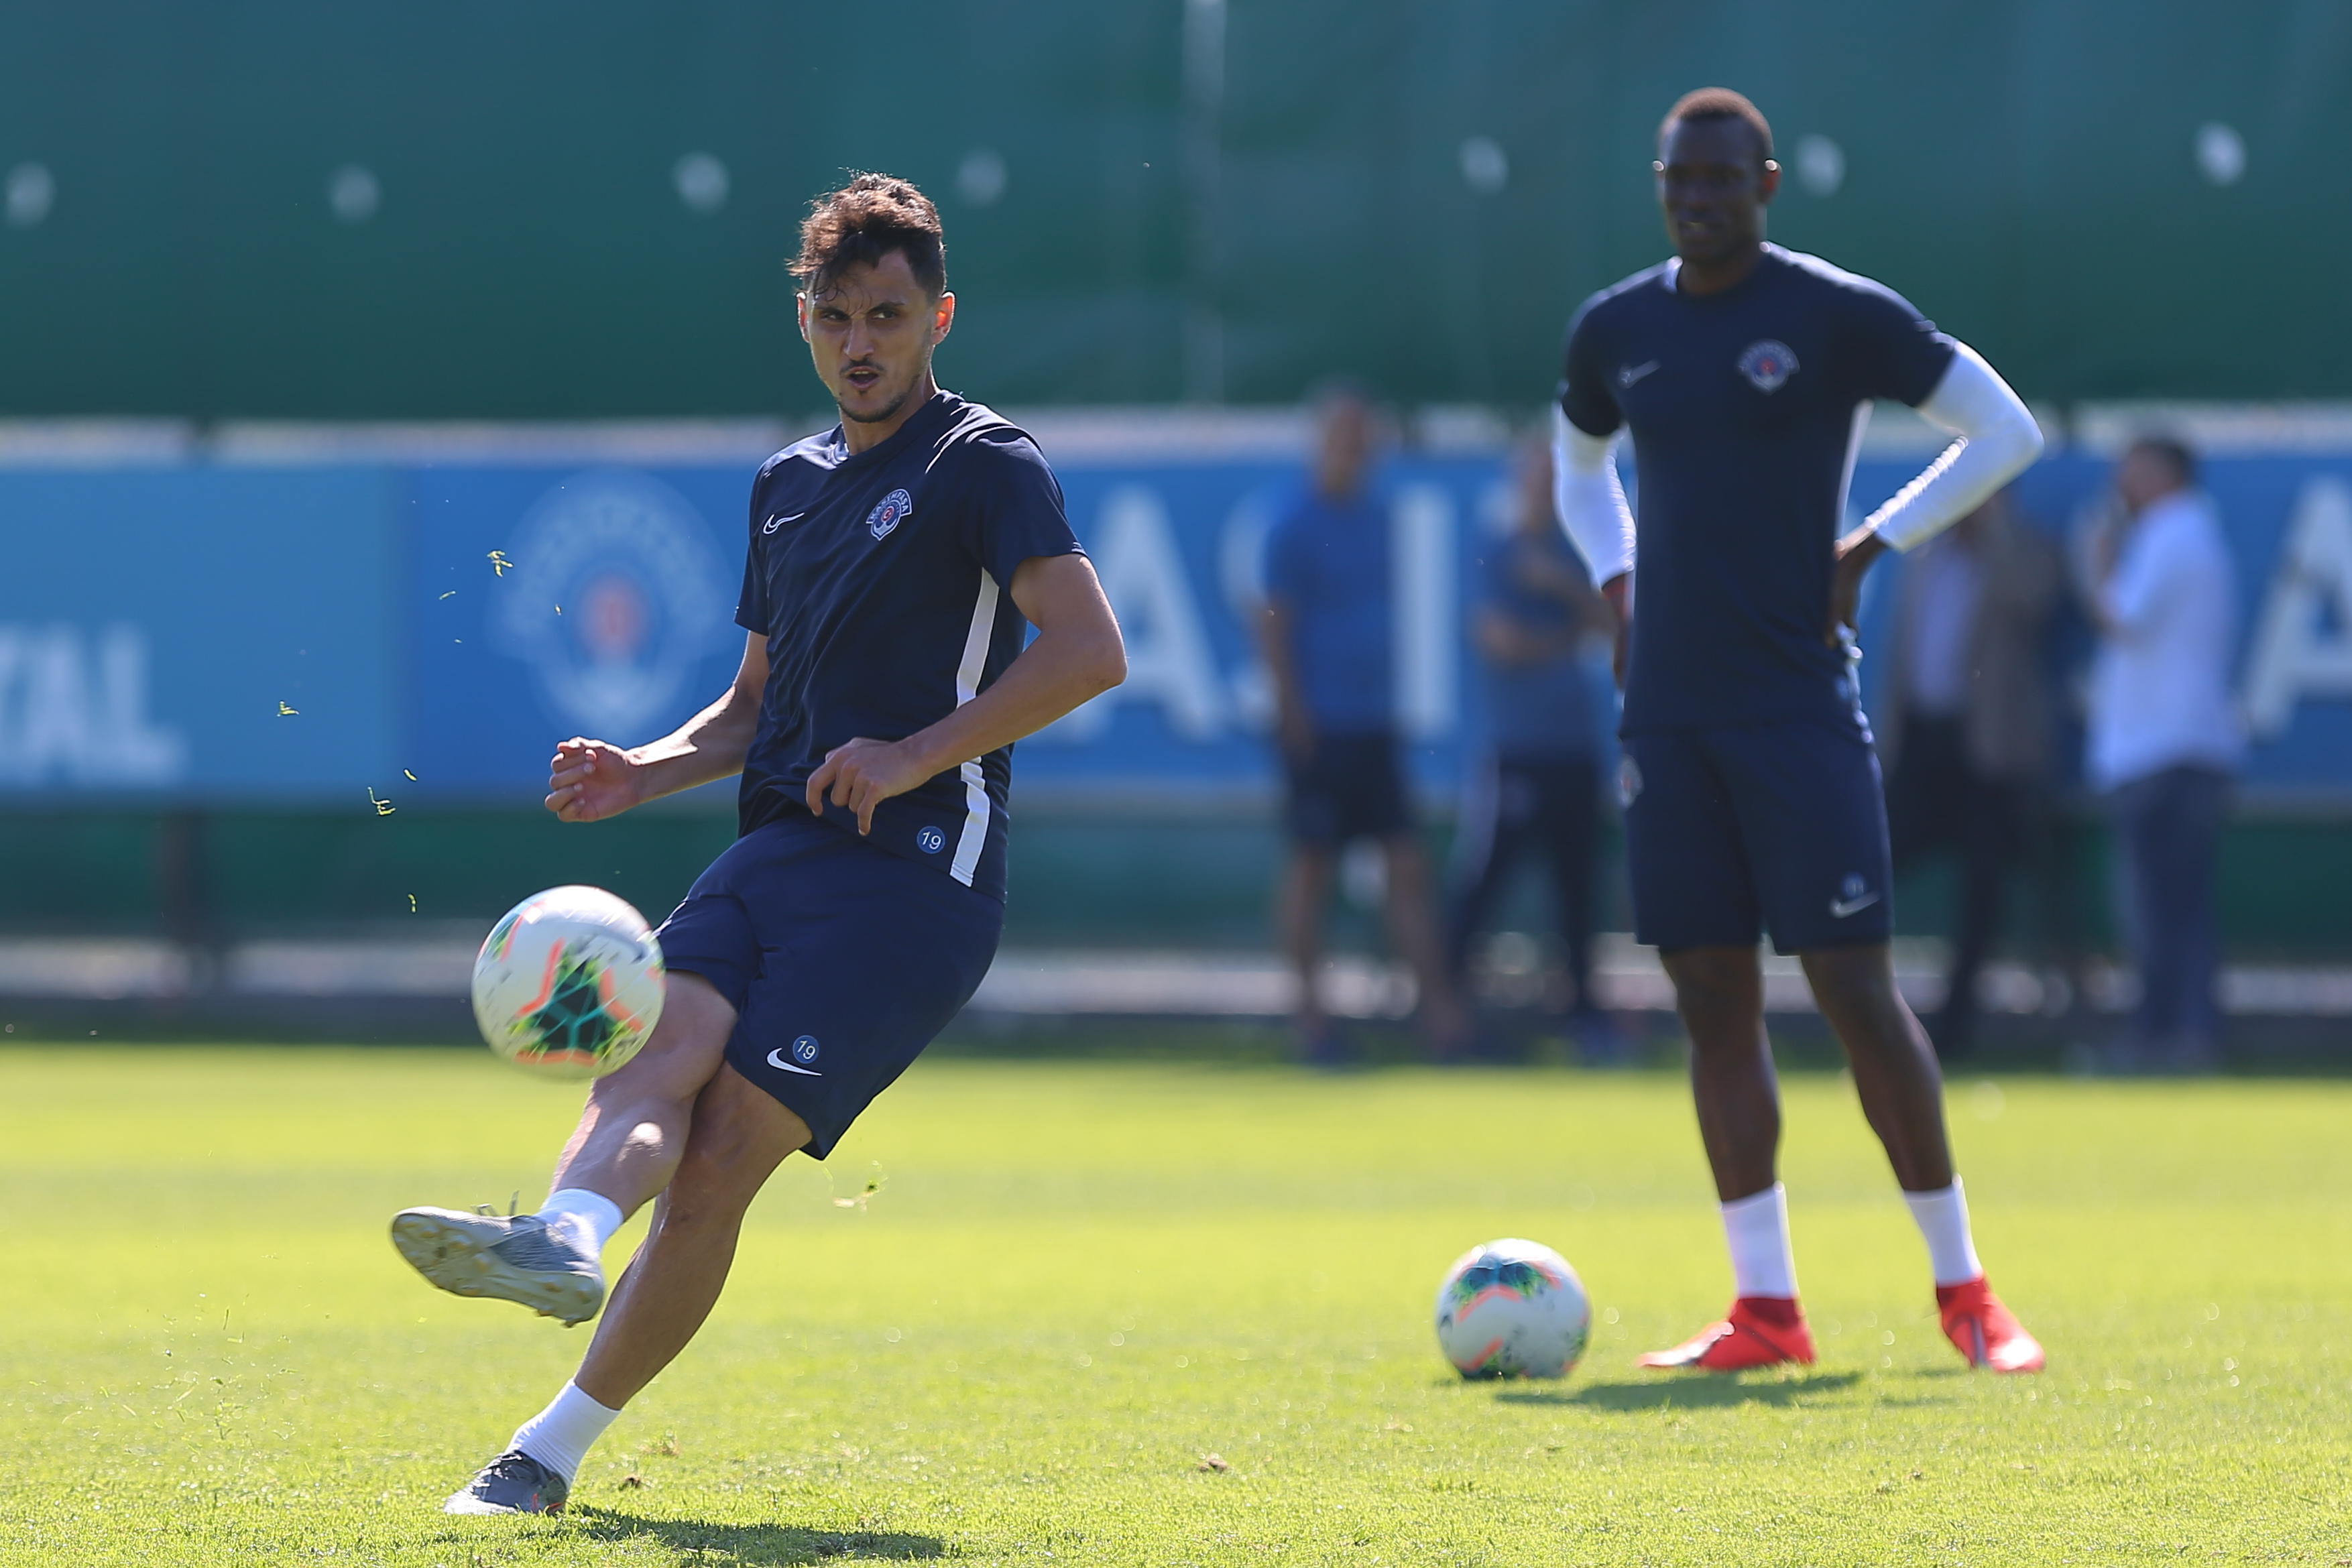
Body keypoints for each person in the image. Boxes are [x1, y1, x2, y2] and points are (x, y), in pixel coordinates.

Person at [388, 174, 1126, 1514]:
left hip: (914, 879)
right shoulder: (785, 484)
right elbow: (747, 709)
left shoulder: (985, 464)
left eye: (886, 315)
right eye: (835, 316)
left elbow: (1089, 650)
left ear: (938, 316)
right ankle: (562, 1234)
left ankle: (543, 1451)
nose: (860, 342)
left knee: (720, 1149)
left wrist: (911, 752)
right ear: (804, 323)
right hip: (775, 852)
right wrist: (642, 767)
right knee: (652, 1053)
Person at [1552, 88, 2048, 1372]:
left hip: (1795, 703)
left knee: (1854, 992)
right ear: (1659, 185)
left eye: (1721, 179)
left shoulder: (1833, 314)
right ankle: (1765, 1308)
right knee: (1711, 998)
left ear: (1763, 185)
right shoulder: (1616, 328)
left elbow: (2004, 430)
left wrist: (1871, 544)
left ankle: (1965, 1291)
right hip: (1666, 710)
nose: (1697, 199)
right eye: (1678, 180)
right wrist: (1619, 580)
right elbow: (1575, 468)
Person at [1258, 387, 1471, 1063]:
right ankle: (1311, 1021)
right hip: (1320, 725)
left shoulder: (1379, 518)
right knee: (1312, 866)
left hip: (1374, 722)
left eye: (1365, 438)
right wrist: (1294, 716)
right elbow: (1274, 624)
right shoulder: (1291, 521)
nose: (1357, 450)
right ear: (1321, 442)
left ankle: (1440, 1020)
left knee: (1407, 865)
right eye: (1345, 437)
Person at [1448, 434, 1618, 1054]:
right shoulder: (1497, 549)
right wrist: (1567, 637)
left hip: (1575, 747)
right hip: (1517, 748)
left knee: (1578, 893)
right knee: (1484, 884)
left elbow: (1614, 624)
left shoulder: (1573, 556)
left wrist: (1560, 588)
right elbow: (1503, 642)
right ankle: (1446, 1008)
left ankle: (1582, 1017)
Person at [1879, 492, 2062, 1057]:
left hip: (1987, 751)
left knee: (1985, 891)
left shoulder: (2023, 551)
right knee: (1872, 866)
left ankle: (1954, 1031)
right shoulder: (1925, 557)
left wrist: (1996, 535)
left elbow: (2032, 601)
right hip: (1921, 743)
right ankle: (1869, 1012)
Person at [2081, 436, 2241, 1071]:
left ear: (2165, 475)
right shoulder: (2194, 534)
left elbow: (2124, 615)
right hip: (2183, 746)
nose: (2122, 484)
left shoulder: (2171, 534)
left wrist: (2099, 562)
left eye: (2133, 471)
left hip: (2162, 749)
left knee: (2157, 908)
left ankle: (2163, 1036)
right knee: (2181, 904)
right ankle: (2187, 1033)